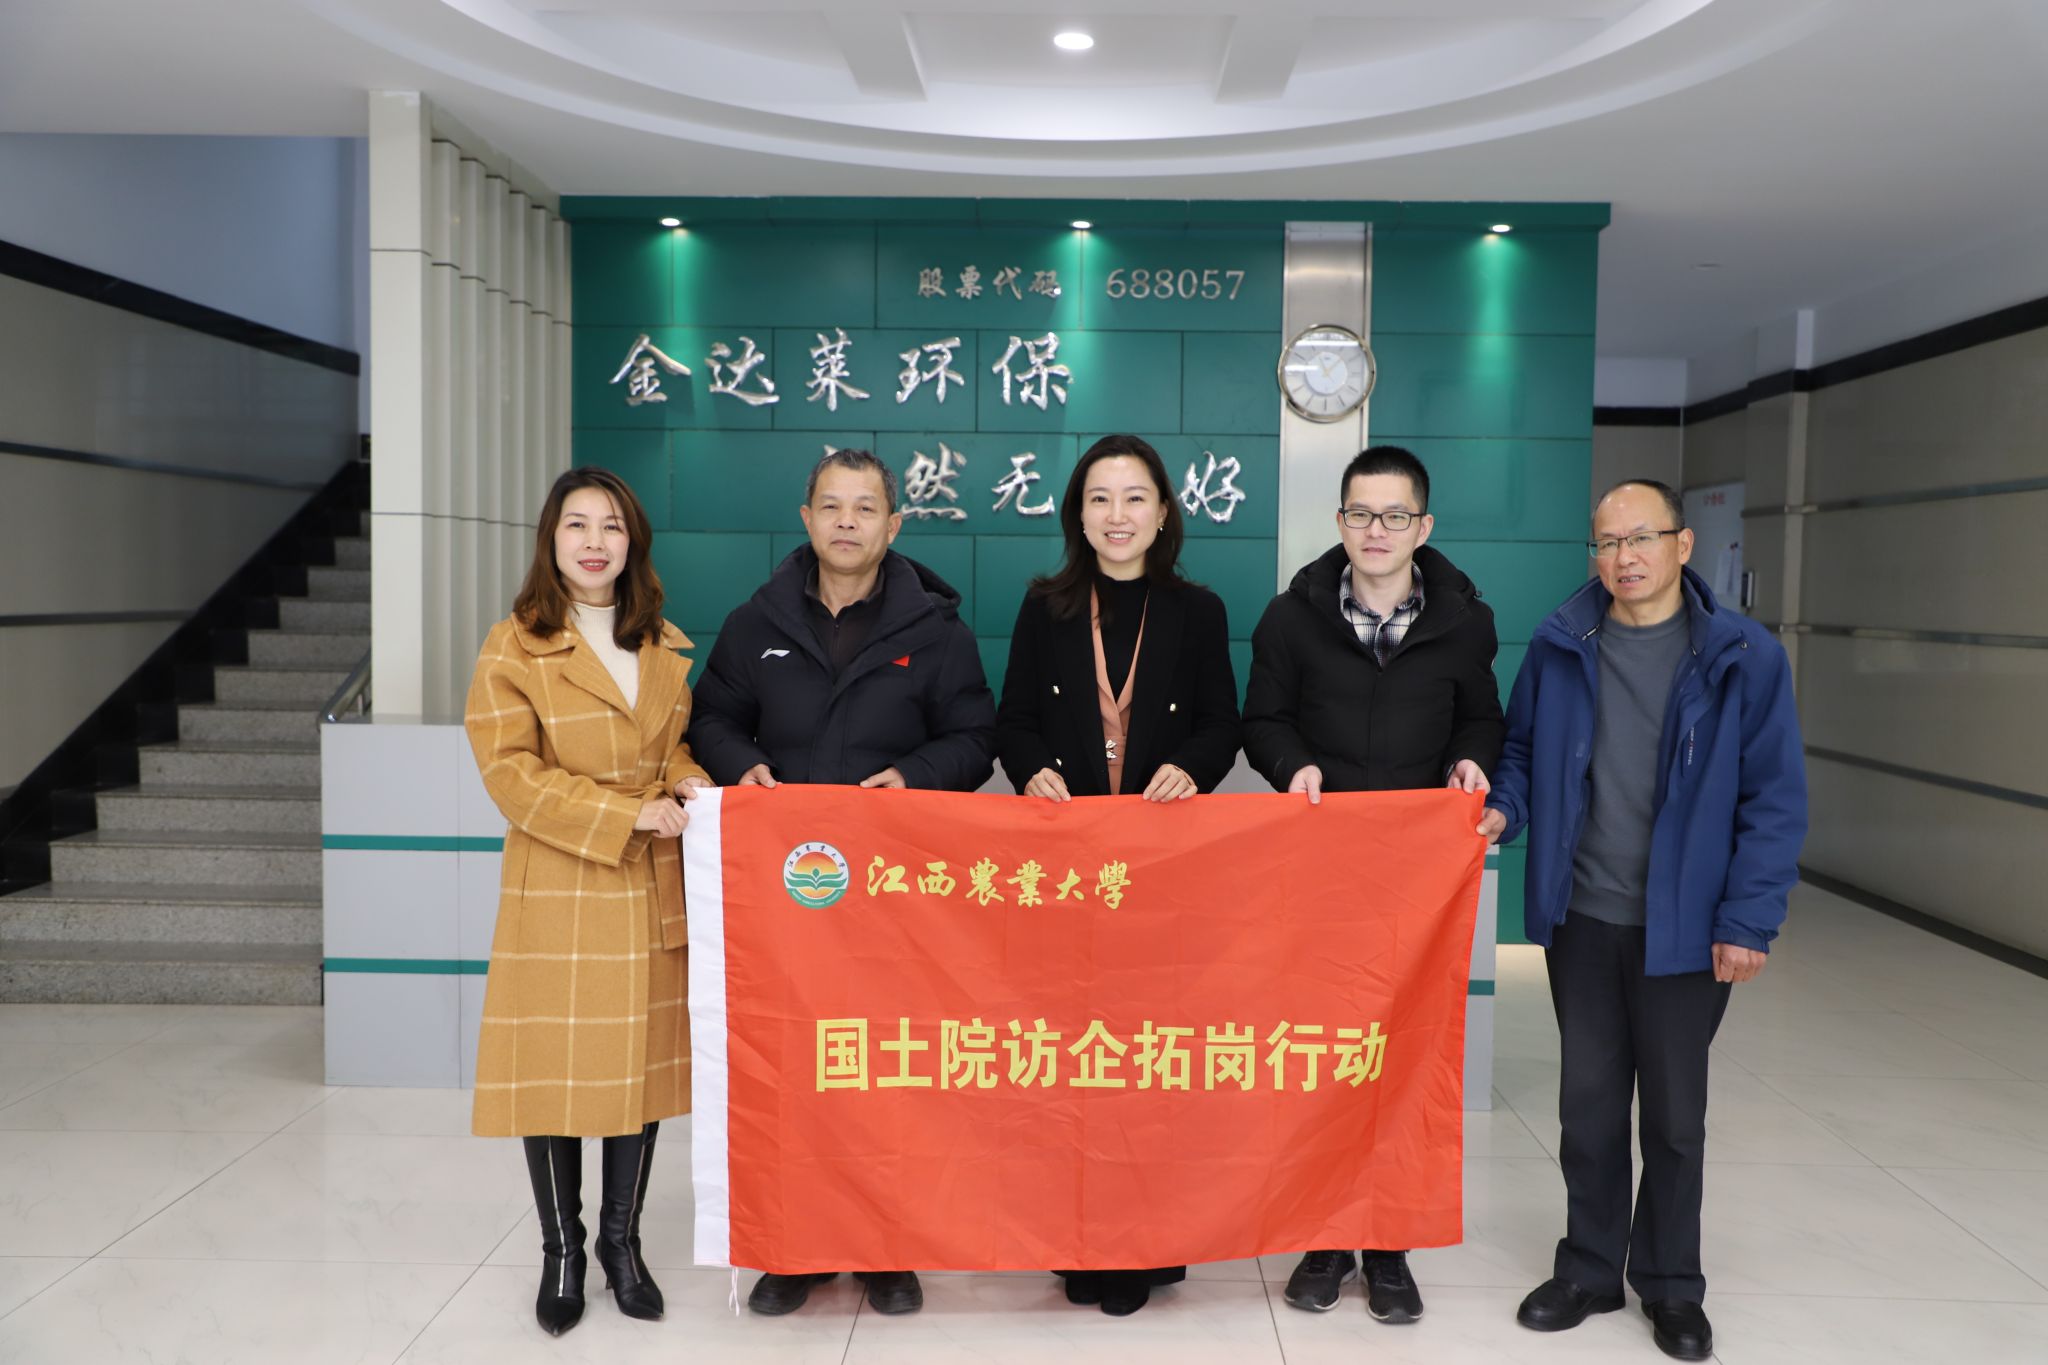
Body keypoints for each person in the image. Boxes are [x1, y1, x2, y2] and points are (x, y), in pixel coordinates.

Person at [1479, 480, 1806, 1362]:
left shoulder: (1744, 656)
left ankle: (1670, 1283)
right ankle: (1589, 1267)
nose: (1624, 557)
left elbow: (1774, 799)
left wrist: (1749, 918)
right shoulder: (1560, 642)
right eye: (1608, 542)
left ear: (1683, 545)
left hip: (1687, 930)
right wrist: (1504, 806)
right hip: (1583, 916)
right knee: (1587, 1106)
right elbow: (1522, 751)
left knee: (1672, 1116)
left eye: (1642, 538)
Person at [687, 446, 997, 1317]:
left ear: (894, 524)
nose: (847, 522)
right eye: (832, 506)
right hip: (786, 897)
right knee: (791, 1067)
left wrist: (916, 775)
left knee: (885, 1066)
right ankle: (797, 1246)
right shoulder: (755, 622)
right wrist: (741, 764)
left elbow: (977, 737)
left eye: (865, 508)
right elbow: (710, 717)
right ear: (807, 518)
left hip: (895, 895)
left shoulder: (937, 631)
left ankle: (887, 1246)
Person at [1241, 445, 1504, 1326]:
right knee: (1322, 1054)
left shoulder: (1465, 621)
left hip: (1416, 886)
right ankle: (1324, 1236)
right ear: (1340, 521)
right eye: (1361, 513)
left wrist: (1471, 760)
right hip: (1319, 872)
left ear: (1422, 526)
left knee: (1403, 1058)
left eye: (1395, 515)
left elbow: (1481, 718)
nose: (1377, 530)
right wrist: (1293, 765)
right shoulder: (1291, 617)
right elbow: (1263, 719)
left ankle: (1388, 1242)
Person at [995, 433, 1242, 1317]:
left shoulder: (1198, 610)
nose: (1117, 514)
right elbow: (1013, 720)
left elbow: (1223, 723)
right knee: (1069, 1061)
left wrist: (1191, 767)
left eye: (1135, 497)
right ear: (1078, 514)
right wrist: (1031, 769)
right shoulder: (1045, 607)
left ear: (1163, 512)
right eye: (1099, 498)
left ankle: (1145, 1243)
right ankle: (1075, 1239)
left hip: (1158, 872)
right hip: (1067, 872)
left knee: (1146, 1062)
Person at [465, 466, 712, 1336]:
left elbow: (673, 749)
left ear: (632, 541)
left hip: (647, 885)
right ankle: (562, 1251)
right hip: (563, 884)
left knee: (635, 1077)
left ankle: (621, 1243)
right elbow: (509, 773)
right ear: (552, 539)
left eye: (612, 525)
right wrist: (624, 812)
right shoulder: (515, 644)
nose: (596, 541)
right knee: (556, 1079)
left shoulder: (664, 644)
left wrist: (688, 783)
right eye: (578, 524)